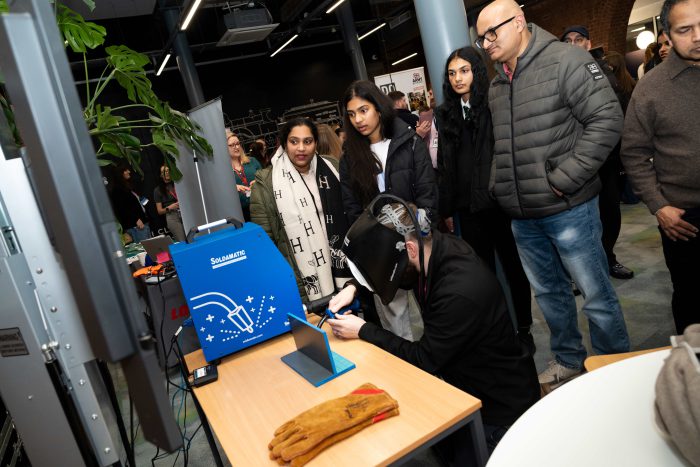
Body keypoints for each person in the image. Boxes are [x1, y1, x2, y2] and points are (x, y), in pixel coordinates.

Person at [476, 0, 630, 387]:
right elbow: (501, 144)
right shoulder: (497, 84)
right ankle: (567, 358)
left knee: (595, 294)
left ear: (520, 21)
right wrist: (500, 183)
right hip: (521, 215)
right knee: (549, 296)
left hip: (568, 206)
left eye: (493, 32)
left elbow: (608, 121)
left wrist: (565, 178)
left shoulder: (566, 61)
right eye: (481, 38)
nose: (487, 42)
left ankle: (615, 365)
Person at [327, 199, 540, 465]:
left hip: (499, 408)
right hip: (465, 382)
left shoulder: (459, 291)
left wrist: (363, 330)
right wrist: (353, 287)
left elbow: (423, 359)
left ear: (410, 249)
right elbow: (388, 269)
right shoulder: (435, 249)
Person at [435, 46, 534, 352]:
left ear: (476, 72)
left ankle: (524, 329)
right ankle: (498, 331)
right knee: (484, 276)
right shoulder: (445, 114)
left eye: (464, 71)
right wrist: (447, 209)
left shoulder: (492, 104)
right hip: (467, 209)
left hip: (499, 204)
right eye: (452, 73)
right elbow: (446, 165)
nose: (457, 78)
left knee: (516, 270)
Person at [621, 0, 700, 334]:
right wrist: (659, 206)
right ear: (667, 34)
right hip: (685, 219)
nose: (698, 36)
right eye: (685, 30)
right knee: (693, 304)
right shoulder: (650, 89)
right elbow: (634, 153)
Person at [340, 79, 438, 340]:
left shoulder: (409, 140)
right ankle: (408, 377)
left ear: (378, 107)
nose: (358, 119)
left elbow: (428, 190)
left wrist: (423, 230)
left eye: (363, 110)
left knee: (436, 313)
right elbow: (351, 208)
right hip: (379, 251)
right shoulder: (350, 156)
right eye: (351, 114)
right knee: (396, 327)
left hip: (417, 241)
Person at [250, 118, 352, 302]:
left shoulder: (331, 166)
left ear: (315, 143)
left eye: (307, 141)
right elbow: (264, 242)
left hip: (343, 265)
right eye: (294, 141)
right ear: (284, 143)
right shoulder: (266, 183)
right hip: (301, 277)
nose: (301, 148)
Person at [561, 25, 634, 279]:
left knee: (610, 212)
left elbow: (614, 113)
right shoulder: (560, 74)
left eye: (578, 40)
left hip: (606, 158)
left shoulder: (603, 71)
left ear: (588, 44)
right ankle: (581, 270)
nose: (573, 44)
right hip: (575, 160)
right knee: (581, 219)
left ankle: (608, 257)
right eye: (568, 40)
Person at [109, 164, 151, 243]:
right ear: (120, 173)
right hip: (136, 226)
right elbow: (122, 209)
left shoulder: (127, 187)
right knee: (144, 249)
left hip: (142, 223)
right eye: (125, 170)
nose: (129, 172)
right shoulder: (117, 190)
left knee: (150, 247)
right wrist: (136, 219)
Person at [227, 129, 262, 221]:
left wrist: (258, 181)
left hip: (260, 208)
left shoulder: (252, 161)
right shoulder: (223, 170)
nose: (236, 147)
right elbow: (219, 189)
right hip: (239, 214)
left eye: (238, 143)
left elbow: (265, 179)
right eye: (231, 145)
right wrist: (233, 187)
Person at [153, 165, 185, 242]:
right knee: (182, 241)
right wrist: (169, 208)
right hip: (172, 216)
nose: (167, 173)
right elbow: (159, 211)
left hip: (185, 212)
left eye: (168, 170)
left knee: (194, 237)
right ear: (161, 175)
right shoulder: (158, 190)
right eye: (164, 172)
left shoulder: (178, 183)